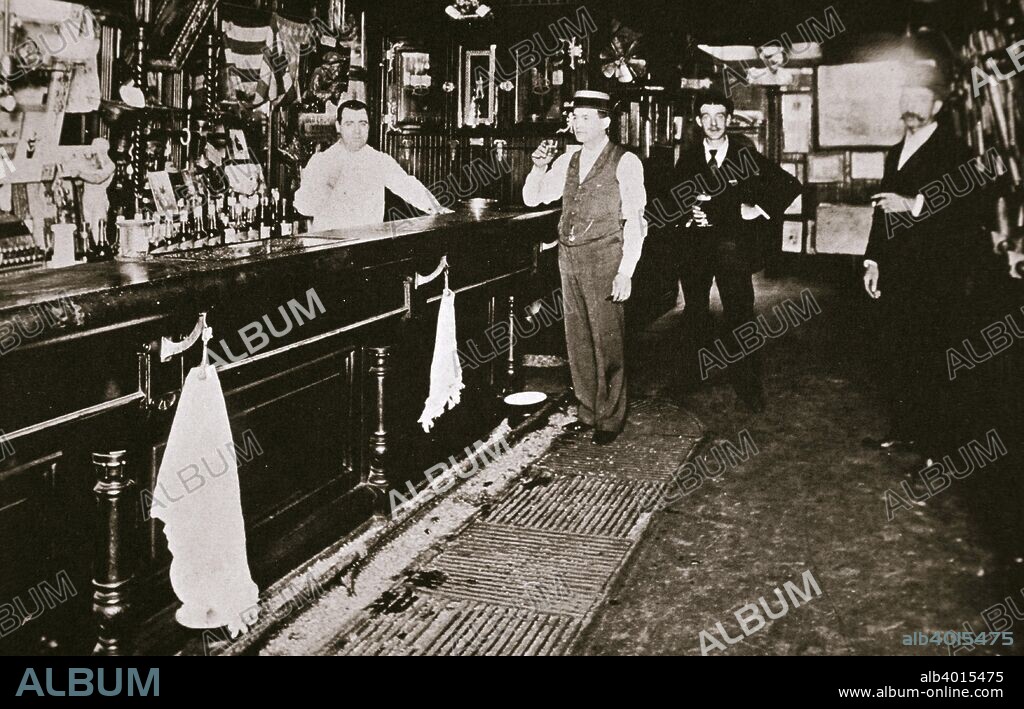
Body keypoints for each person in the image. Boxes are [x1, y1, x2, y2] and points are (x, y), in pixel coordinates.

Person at [862, 70, 978, 461]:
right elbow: (882, 210)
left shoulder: (955, 149)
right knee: (899, 354)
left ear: (938, 107)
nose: (910, 107)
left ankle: (937, 452)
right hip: (896, 272)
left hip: (934, 275)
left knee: (933, 360)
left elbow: (966, 206)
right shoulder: (896, 151)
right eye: (905, 98)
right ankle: (906, 431)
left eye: (920, 100)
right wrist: (873, 261)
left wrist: (913, 205)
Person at [522, 90, 647, 445]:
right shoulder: (568, 159)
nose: (577, 124)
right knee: (577, 339)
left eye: (586, 118)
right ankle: (588, 410)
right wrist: (539, 166)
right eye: (575, 117)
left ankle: (610, 418)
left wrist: (626, 270)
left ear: (606, 122)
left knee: (607, 340)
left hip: (605, 258)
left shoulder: (626, 161)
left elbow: (635, 220)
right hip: (569, 256)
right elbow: (533, 197)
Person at [673, 89, 801, 412]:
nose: (713, 123)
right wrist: (688, 212)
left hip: (733, 252)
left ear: (729, 120)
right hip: (694, 251)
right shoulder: (688, 158)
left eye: (720, 116)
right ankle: (691, 376)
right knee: (695, 314)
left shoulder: (744, 157)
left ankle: (748, 385)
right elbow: (672, 199)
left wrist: (755, 209)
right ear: (698, 121)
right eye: (706, 116)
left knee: (740, 317)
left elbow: (788, 185)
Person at [294, 99, 451, 231]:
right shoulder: (322, 161)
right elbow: (303, 207)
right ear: (338, 126)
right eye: (349, 123)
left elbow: (408, 185)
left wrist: (438, 209)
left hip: (366, 248)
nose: (357, 131)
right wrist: (326, 186)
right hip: (329, 250)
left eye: (362, 123)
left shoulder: (379, 160)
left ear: (369, 126)